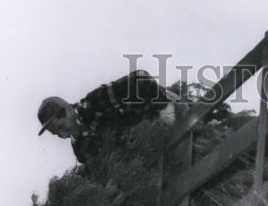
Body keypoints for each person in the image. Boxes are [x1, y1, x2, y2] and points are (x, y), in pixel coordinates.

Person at [37, 69, 175, 167]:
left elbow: (141, 78)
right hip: (153, 151)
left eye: (60, 127)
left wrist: (165, 108)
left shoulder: (94, 103)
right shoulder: (81, 150)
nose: (62, 135)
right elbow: (107, 170)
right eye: (56, 134)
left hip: (169, 121)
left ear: (67, 110)